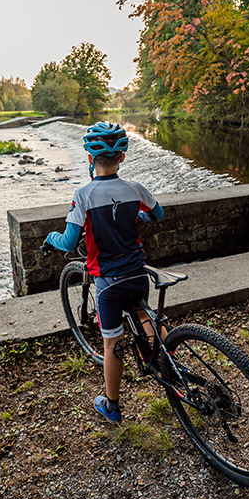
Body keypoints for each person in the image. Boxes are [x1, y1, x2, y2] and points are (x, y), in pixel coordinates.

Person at [43, 122, 164, 423]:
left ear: (89, 158)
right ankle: (168, 360)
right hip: (137, 272)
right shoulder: (135, 189)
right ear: (122, 157)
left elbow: (70, 241)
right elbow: (157, 214)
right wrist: (134, 212)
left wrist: (51, 238)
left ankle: (112, 405)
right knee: (144, 315)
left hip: (108, 282)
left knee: (112, 343)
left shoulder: (84, 194)